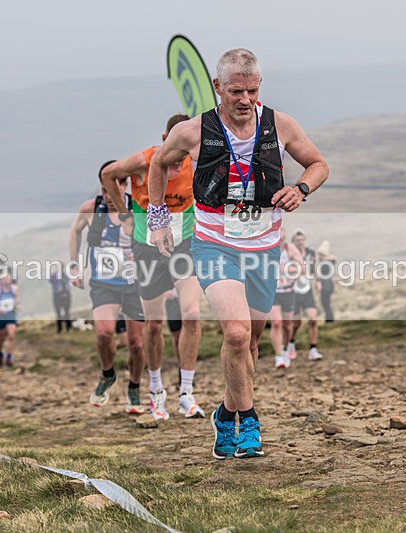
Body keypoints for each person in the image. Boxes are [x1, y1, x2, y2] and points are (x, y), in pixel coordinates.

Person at [147, 48, 328, 458]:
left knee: (249, 346)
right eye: (235, 92)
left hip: (265, 247)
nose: (244, 100)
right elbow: (158, 164)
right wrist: (158, 220)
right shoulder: (192, 131)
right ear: (218, 88)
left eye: (251, 91)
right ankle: (249, 421)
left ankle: (225, 413)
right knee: (235, 332)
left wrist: (300, 189)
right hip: (214, 244)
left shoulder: (280, 125)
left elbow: (318, 164)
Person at [101, 114, 205, 420]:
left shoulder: (195, 161)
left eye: (184, 155)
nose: (177, 163)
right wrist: (124, 214)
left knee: (193, 314)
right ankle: (156, 390)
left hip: (184, 245)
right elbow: (108, 174)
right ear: (165, 139)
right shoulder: (143, 160)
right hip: (147, 248)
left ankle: (187, 393)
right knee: (155, 323)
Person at [69, 162, 146, 414]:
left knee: (135, 344)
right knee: (103, 334)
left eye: (113, 189)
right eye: (104, 190)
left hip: (133, 284)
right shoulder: (91, 209)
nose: (108, 196)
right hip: (104, 283)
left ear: (125, 186)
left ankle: (134, 389)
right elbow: (75, 230)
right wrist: (74, 264)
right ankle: (107, 374)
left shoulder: (136, 210)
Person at [270, 229, 303, 369]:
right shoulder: (267, 248)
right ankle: (278, 356)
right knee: (276, 322)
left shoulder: (291, 249)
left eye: (281, 239)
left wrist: (284, 268)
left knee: (287, 325)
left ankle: (286, 347)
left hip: (288, 290)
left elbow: (302, 267)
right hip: (272, 290)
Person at [289, 229, 324, 361]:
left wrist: (318, 281)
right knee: (296, 323)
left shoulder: (310, 253)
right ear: (293, 242)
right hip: (294, 291)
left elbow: (315, 267)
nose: (300, 242)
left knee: (313, 319)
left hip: (307, 289)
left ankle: (313, 349)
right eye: (297, 240)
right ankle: (291, 343)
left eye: (302, 240)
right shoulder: (289, 253)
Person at [316, 240, 336, 322]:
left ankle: (329, 321)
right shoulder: (329, 262)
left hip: (326, 286)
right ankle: (329, 320)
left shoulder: (325, 263)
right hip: (329, 285)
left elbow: (321, 276)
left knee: (326, 304)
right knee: (327, 304)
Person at [49, 264, 73, 333]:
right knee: (65, 312)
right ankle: (67, 328)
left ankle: (61, 329)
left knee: (61, 312)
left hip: (60, 294)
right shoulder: (66, 274)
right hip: (63, 294)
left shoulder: (55, 275)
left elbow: (50, 281)